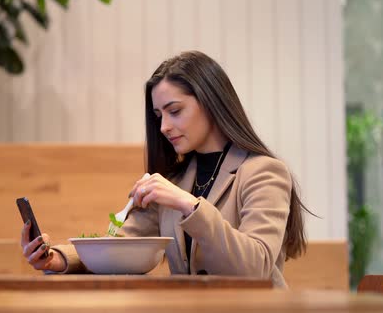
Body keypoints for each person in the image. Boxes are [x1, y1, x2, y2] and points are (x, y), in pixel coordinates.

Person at [20, 50, 311, 288]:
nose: (164, 127)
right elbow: (117, 248)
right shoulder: (175, 181)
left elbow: (255, 269)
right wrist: (56, 258)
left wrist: (189, 205)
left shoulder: (264, 172)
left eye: (175, 111)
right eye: (159, 115)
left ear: (211, 103)